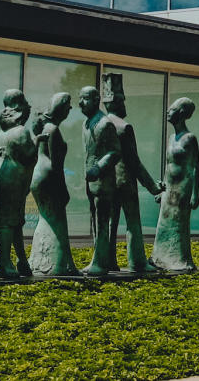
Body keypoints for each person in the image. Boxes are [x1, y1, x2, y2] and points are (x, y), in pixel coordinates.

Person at [101, 73, 165, 273]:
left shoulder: (99, 125)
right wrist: (154, 187)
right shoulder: (123, 127)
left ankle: (107, 260)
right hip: (125, 181)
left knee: (110, 224)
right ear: (118, 102)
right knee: (133, 222)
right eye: (123, 100)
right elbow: (134, 162)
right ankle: (137, 261)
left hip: (107, 182)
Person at [28, 92, 79, 276]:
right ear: (60, 108)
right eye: (68, 105)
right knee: (57, 220)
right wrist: (63, 190)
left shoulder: (46, 128)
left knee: (45, 218)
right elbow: (57, 167)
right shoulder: (53, 130)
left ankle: (40, 261)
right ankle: (58, 265)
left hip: (38, 174)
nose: (70, 109)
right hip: (48, 176)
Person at [151, 97, 199, 272]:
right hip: (169, 188)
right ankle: (159, 258)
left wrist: (195, 194)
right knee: (163, 224)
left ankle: (179, 259)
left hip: (183, 189)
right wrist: (162, 188)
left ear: (180, 113)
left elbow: (195, 167)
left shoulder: (190, 138)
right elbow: (168, 165)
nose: (167, 112)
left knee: (178, 225)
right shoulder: (172, 137)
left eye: (171, 110)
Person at [78, 85, 120, 276]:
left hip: (103, 182)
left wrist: (99, 168)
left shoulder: (104, 124)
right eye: (80, 98)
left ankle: (101, 262)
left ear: (96, 100)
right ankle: (101, 258)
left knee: (102, 221)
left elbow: (115, 152)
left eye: (85, 98)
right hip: (91, 182)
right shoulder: (87, 124)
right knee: (95, 221)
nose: (80, 102)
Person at [0, 89, 35, 279]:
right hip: (13, 181)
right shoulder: (21, 131)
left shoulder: (4, 132)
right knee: (8, 223)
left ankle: (21, 260)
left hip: (4, 180)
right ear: (20, 108)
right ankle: (4, 263)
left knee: (16, 222)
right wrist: (39, 142)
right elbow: (29, 156)